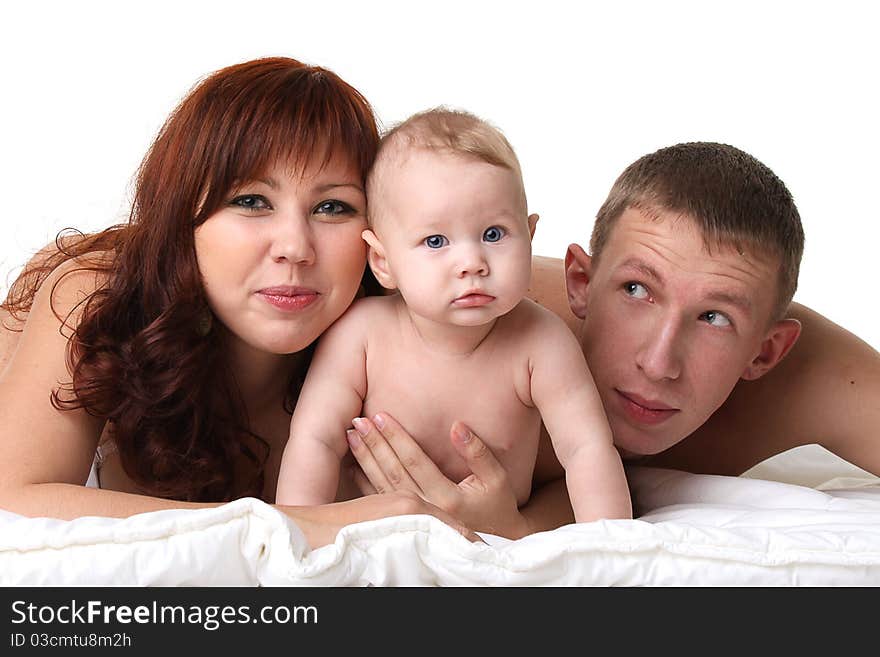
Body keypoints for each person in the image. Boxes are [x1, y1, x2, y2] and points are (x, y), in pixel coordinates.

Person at [0, 57, 494, 548]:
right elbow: (14, 497)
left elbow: (560, 292)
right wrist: (294, 525)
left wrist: (516, 523)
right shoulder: (99, 293)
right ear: (180, 212)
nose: (295, 248)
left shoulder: (439, 300)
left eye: (332, 207)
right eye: (252, 201)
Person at [341, 140, 880, 534]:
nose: (658, 362)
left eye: (714, 319)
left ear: (766, 352)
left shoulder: (816, 380)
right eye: (637, 290)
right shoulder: (466, 316)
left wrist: (519, 530)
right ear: (581, 282)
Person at [275, 109, 631, 524]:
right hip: (373, 536)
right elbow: (314, 440)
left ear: (530, 237)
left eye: (493, 234)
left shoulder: (542, 342)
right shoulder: (362, 334)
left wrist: (611, 549)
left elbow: (587, 449)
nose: (472, 262)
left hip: (495, 541)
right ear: (382, 260)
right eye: (436, 240)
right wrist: (298, 535)